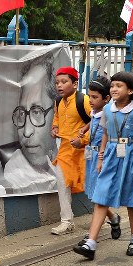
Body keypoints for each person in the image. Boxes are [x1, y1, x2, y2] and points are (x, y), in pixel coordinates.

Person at [73, 71, 133, 260]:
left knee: (131, 199)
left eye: (119, 86)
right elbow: (104, 134)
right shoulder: (108, 110)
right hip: (110, 154)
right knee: (101, 196)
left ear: (130, 91)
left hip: (131, 155)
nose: (114, 88)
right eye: (113, 85)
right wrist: (100, 158)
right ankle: (91, 243)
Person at [0, 57, 59, 194]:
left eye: (37, 112)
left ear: (56, 110)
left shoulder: (70, 146)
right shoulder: (16, 168)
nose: (26, 132)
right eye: (21, 114)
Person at [78, 76, 121, 240]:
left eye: (95, 97)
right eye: (90, 96)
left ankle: (92, 235)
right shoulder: (95, 111)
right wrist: (85, 127)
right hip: (91, 156)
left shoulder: (110, 115)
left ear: (106, 99)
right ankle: (113, 217)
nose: (91, 100)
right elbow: (93, 119)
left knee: (99, 196)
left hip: (101, 159)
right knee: (94, 194)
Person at [49, 66, 90, 235]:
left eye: (64, 81)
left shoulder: (84, 101)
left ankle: (110, 216)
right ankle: (67, 221)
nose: (59, 85)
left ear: (75, 84)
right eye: (57, 82)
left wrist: (82, 140)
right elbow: (57, 118)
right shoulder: (58, 101)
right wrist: (55, 128)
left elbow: (98, 122)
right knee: (61, 182)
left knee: (91, 187)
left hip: (85, 152)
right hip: (65, 150)